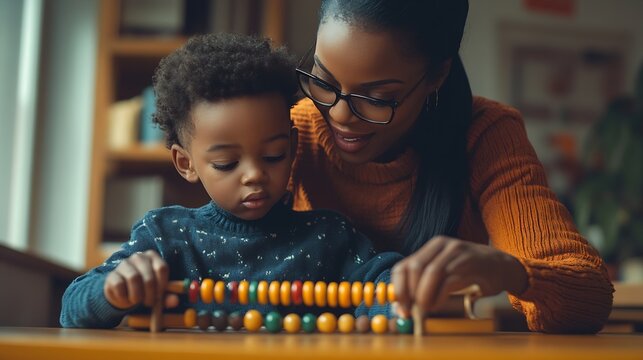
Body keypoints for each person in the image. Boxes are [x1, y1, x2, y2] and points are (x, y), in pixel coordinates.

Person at [289, 0, 613, 333]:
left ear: (437, 75)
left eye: (376, 98)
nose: (339, 116)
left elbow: (590, 296)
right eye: (323, 81)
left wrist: (512, 272)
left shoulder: (485, 135)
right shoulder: (290, 135)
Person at [60, 33, 402, 329]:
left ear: (294, 147)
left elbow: (385, 284)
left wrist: (396, 302)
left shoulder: (329, 236)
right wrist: (115, 291)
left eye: (273, 156)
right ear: (186, 163)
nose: (254, 174)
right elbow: (72, 309)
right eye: (226, 163)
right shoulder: (167, 236)